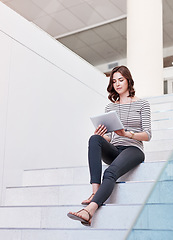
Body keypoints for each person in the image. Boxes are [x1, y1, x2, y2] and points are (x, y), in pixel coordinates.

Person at [67, 65, 151, 226]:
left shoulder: (143, 104)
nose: (117, 84)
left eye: (121, 80)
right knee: (94, 139)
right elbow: (110, 137)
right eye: (114, 81)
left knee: (110, 172)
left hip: (133, 149)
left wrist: (126, 134)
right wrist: (101, 135)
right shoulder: (110, 107)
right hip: (115, 149)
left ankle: (89, 210)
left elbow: (147, 135)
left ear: (128, 81)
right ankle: (94, 192)